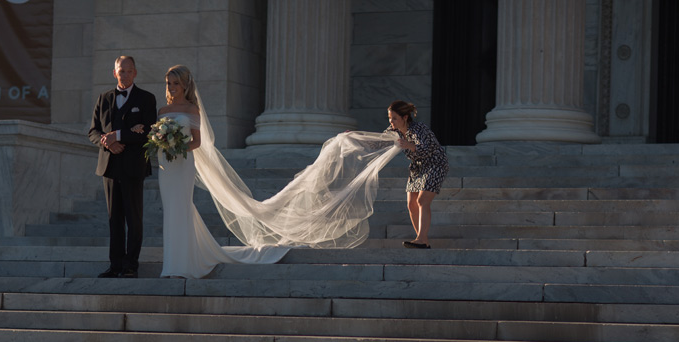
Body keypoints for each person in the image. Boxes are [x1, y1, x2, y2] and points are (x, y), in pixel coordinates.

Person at [128, 65, 402, 280]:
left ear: (186, 85)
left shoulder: (191, 109)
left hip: (183, 163)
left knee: (181, 209)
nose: (172, 87)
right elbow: (154, 136)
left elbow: (198, 142)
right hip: (167, 166)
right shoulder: (162, 110)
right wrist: (161, 143)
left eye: (176, 83)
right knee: (173, 211)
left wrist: (176, 143)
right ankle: (177, 261)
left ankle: (183, 263)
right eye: (169, 83)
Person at [88, 55, 158, 278]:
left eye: (129, 71)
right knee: (114, 219)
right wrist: (107, 143)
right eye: (121, 71)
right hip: (108, 167)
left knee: (133, 218)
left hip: (133, 167)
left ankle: (130, 266)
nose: (124, 74)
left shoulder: (146, 99)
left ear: (135, 73)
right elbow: (93, 131)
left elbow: (148, 132)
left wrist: (118, 136)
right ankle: (115, 264)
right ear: (114, 72)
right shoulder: (104, 98)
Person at [386, 100, 449, 249]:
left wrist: (410, 145)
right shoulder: (393, 131)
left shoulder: (419, 128)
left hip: (435, 163)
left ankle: (421, 239)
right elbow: (377, 141)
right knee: (411, 204)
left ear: (405, 117)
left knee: (422, 200)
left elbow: (426, 150)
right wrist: (353, 137)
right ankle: (422, 240)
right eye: (390, 118)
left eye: (394, 118)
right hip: (417, 167)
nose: (391, 121)